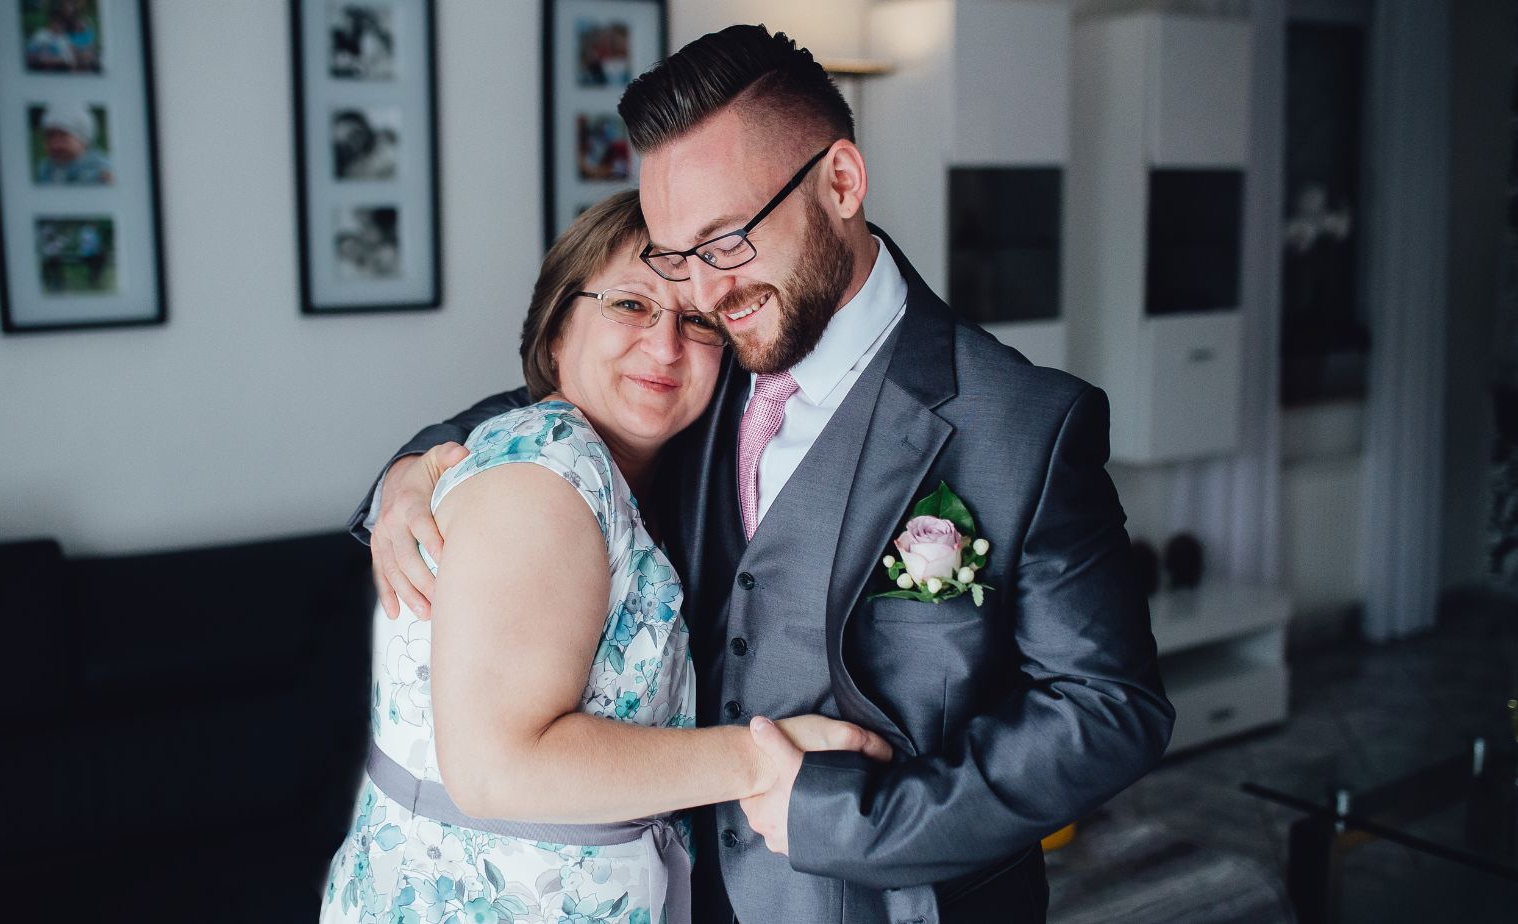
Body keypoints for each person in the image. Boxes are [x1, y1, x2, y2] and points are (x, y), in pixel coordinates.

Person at [354, 26, 1175, 924]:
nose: (701, 295)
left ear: (842, 183)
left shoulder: (1025, 423)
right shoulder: (702, 365)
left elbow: (1109, 709)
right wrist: (410, 472)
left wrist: (853, 821)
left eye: (728, 240)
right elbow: (564, 405)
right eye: (675, 256)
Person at [321, 191, 890, 924]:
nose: (665, 345)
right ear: (557, 329)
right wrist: (762, 759)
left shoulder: (643, 471)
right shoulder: (546, 477)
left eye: (697, 320)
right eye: (629, 305)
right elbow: (498, 770)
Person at [34, 105, 113, 186]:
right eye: (49, 136)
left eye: (63, 136)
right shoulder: (46, 168)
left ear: (83, 141)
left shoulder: (100, 169)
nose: (55, 144)